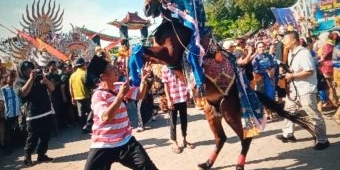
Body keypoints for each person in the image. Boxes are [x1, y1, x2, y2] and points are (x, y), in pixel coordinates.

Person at [84, 56, 158, 170]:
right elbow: (106, 116)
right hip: (103, 144)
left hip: (126, 141)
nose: (115, 68)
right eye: (111, 68)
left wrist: (143, 79)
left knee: (148, 168)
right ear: (103, 76)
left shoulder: (119, 86)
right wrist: (120, 96)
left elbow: (140, 95)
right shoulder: (98, 95)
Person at [276, 31, 330, 150]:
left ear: (294, 40)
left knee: (313, 114)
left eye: (285, 39)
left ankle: (322, 140)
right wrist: (286, 73)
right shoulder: (290, 53)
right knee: (289, 111)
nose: (283, 42)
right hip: (294, 89)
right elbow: (294, 70)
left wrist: (292, 76)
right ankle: (288, 134)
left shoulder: (304, 53)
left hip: (306, 89)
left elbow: (309, 71)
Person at [17, 61, 55, 166]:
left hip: (46, 111)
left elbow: (52, 88)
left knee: (46, 136)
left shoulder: (40, 77)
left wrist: (47, 81)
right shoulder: (19, 82)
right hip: (32, 114)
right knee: (32, 138)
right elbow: (23, 93)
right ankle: (27, 157)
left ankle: (41, 155)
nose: (29, 70)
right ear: (22, 71)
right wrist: (31, 79)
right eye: (26, 69)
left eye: (30, 67)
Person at [162, 65, 195, 154]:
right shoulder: (165, 68)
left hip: (182, 97)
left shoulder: (181, 66)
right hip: (173, 99)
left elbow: (186, 80)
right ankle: (174, 141)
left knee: (184, 120)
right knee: (173, 121)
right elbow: (165, 85)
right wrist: (168, 100)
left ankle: (184, 139)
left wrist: (188, 93)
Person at [69, 57, 92, 133]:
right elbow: (89, 85)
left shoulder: (72, 76)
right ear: (83, 65)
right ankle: (88, 126)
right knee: (91, 111)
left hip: (77, 97)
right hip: (86, 96)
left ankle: (82, 128)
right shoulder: (85, 73)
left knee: (81, 114)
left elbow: (70, 88)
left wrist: (72, 97)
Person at [0, 70, 21, 154]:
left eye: (14, 77)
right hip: (8, 114)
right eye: (11, 77)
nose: (12, 79)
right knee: (8, 132)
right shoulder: (3, 90)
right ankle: (8, 147)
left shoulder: (17, 87)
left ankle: (19, 144)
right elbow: (1, 102)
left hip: (18, 113)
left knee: (18, 128)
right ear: (6, 78)